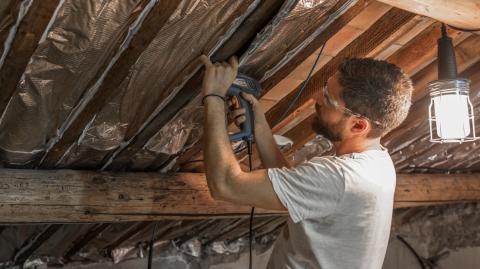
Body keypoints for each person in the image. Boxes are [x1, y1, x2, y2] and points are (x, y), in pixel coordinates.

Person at [199, 55, 413, 269]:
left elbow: (226, 185)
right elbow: (298, 191)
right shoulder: (377, 163)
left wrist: (214, 96)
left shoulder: (339, 177)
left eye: (328, 98)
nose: (316, 97)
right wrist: (260, 127)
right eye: (324, 88)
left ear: (358, 126)